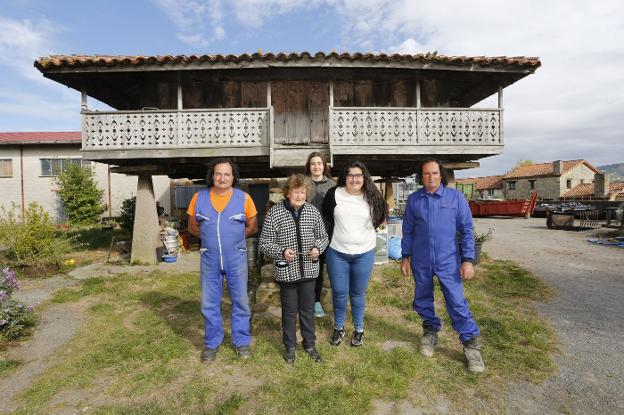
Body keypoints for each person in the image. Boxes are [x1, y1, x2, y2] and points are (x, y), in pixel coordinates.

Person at [400, 159, 485, 373]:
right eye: (426, 174)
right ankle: (430, 333)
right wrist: (405, 256)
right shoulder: (414, 200)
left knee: (457, 302)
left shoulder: (455, 198)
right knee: (422, 299)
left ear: (441, 175)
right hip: (421, 260)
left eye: (435, 173)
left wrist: (468, 260)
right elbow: (408, 231)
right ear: (422, 177)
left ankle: (471, 346)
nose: (431, 177)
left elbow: (466, 230)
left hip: (449, 260)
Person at [187, 158, 258, 363]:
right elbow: (192, 227)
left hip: (236, 257)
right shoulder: (198, 198)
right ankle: (212, 343)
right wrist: (211, 239)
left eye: (227, 174)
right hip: (209, 258)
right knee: (209, 303)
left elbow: (252, 226)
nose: (222, 178)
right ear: (212, 175)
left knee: (240, 301)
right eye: (218, 173)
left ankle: (242, 341)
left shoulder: (244, 198)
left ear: (233, 177)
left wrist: (233, 239)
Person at [259, 174, 329, 364]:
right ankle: (290, 346)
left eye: (302, 192)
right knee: (289, 311)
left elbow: (323, 237)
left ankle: (310, 345)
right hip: (287, 272)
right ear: (287, 193)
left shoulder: (313, 212)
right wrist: (281, 252)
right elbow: (264, 243)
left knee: (307, 310)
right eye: (295, 191)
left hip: (309, 271)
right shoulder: (275, 213)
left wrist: (317, 248)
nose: (299, 195)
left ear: (306, 193)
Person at [322, 160, 387, 347]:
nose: (354, 179)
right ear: (345, 177)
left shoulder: (373, 196)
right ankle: (339, 328)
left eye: (358, 175)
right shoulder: (334, 194)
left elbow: (381, 214)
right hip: (337, 252)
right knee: (340, 293)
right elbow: (327, 214)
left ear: (364, 177)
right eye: (350, 175)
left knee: (358, 293)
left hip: (364, 253)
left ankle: (359, 330)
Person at [304, 152, 336, 318]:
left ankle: (316, 302)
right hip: (303, 234)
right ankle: (303, 302)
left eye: (319, 163)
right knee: (303, 269)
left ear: (324, 166)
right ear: (308, 166)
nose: (316, 167)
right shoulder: (302, 183)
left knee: (318, 269)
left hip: (325, 234)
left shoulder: (332, 185)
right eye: (313, 163)